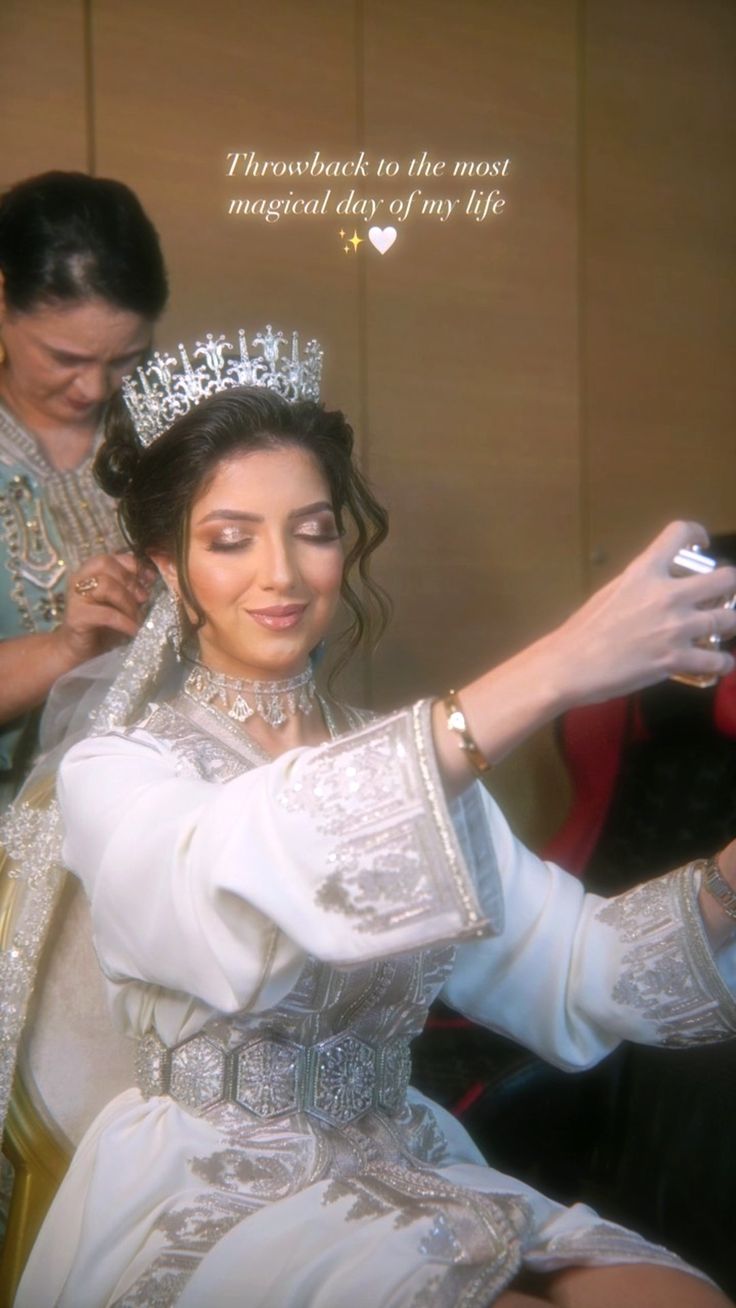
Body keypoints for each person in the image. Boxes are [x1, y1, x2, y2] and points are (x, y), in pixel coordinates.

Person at [9, 329, 736, 1308]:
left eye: (312, 529)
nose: (281, 574)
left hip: (401, 1153)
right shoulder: (120, 770)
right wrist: (558, 666)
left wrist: (727, 883)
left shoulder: (411, 761)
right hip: (217, 1187)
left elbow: (575, 967)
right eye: (230, 540)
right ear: (171, 569)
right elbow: (237, 891)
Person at [0, 170, 168, 808]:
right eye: (65, 358)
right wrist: (65, 648)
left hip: (163, 805)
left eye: (126, 359)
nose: (95, 390)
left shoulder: (173, 441)